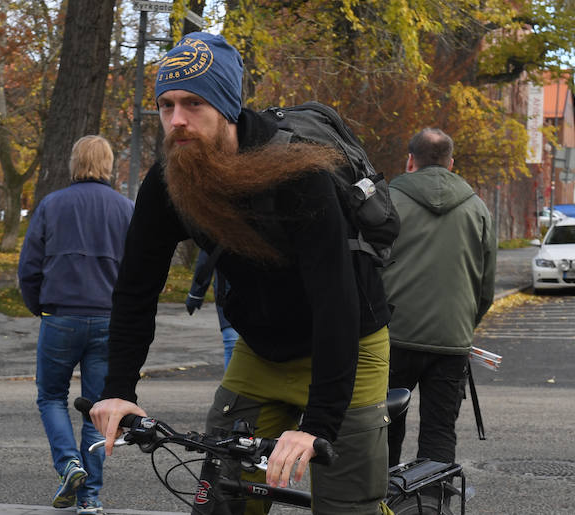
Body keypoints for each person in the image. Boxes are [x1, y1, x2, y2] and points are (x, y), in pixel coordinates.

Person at [89, 32, 393, 514]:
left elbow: (336, 299)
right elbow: (135, 289)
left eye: (193, 103)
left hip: (347, 343)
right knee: (222, 500)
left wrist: (318, 423)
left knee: (346, 505)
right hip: (261, 351)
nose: (177, 121)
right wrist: (118, 389)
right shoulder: (168, 178)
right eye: (166, 106)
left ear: (228, 106)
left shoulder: (298, 172)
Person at [380, 128, 496, 514]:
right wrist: (464, 324)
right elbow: (485, 286)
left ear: (409, 160)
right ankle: (431, 506)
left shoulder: (387, 201)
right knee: (438, 432)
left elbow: (368, 268)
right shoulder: (478, 208)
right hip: (451, 342)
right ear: (451, 163)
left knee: (384, 425)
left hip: (391, 336)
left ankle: (383, 501)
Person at [18, 135, 134, 515]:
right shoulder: (125, 209)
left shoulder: (52, 205)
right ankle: (91, 499)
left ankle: (69, 464)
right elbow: (139, 273)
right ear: (108, 164)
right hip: (108, 319)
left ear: (74, 162)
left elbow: (29, 268)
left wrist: (41, 307)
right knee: (98, 409)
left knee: (51, 396)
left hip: (61, 315)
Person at [186, 248, 239, 369]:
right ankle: (232, 387)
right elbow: (208, 255)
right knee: (232, 341)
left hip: (258, 291)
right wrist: (196, 294)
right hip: (226, 291)